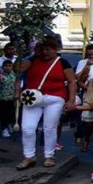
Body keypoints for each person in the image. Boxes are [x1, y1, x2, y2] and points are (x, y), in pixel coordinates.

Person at [16, 36, 77, 170]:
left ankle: (49, 155)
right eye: (43, 49)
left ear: (56, 50)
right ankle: (29, 156)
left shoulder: (63, 62)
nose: (45, 52)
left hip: (55, 98)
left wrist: (71, 100)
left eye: (48, 49)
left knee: (49, 128)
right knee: (27, 129)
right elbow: (18, 71)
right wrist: (30, 55)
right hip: (32, 98)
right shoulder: (32, 60)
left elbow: (72, 81)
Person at [0, 59, 17, 138]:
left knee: (11, 114)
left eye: (9, 66)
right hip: (2, 98)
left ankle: (8, 125)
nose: (7, 68)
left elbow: (17, 85)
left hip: (12, 98)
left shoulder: (14, 74)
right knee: (3, 114)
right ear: (3, 66)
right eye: (6, 66)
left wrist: (17, 95)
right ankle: (4, 129)